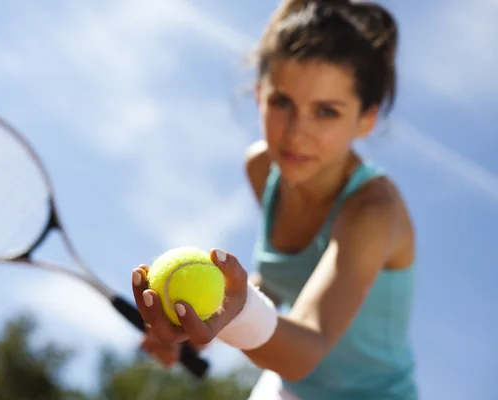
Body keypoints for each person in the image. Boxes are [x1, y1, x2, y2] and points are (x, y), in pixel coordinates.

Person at [131, 0, 418, 398]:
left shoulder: (375, 210)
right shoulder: (262, 168)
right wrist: (203, 321)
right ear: (258, 95)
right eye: (282, 102)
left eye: (327, 112)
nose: (296, 132)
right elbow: (282, 285)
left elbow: (309, 346)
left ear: (366, 119)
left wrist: (235, 315)